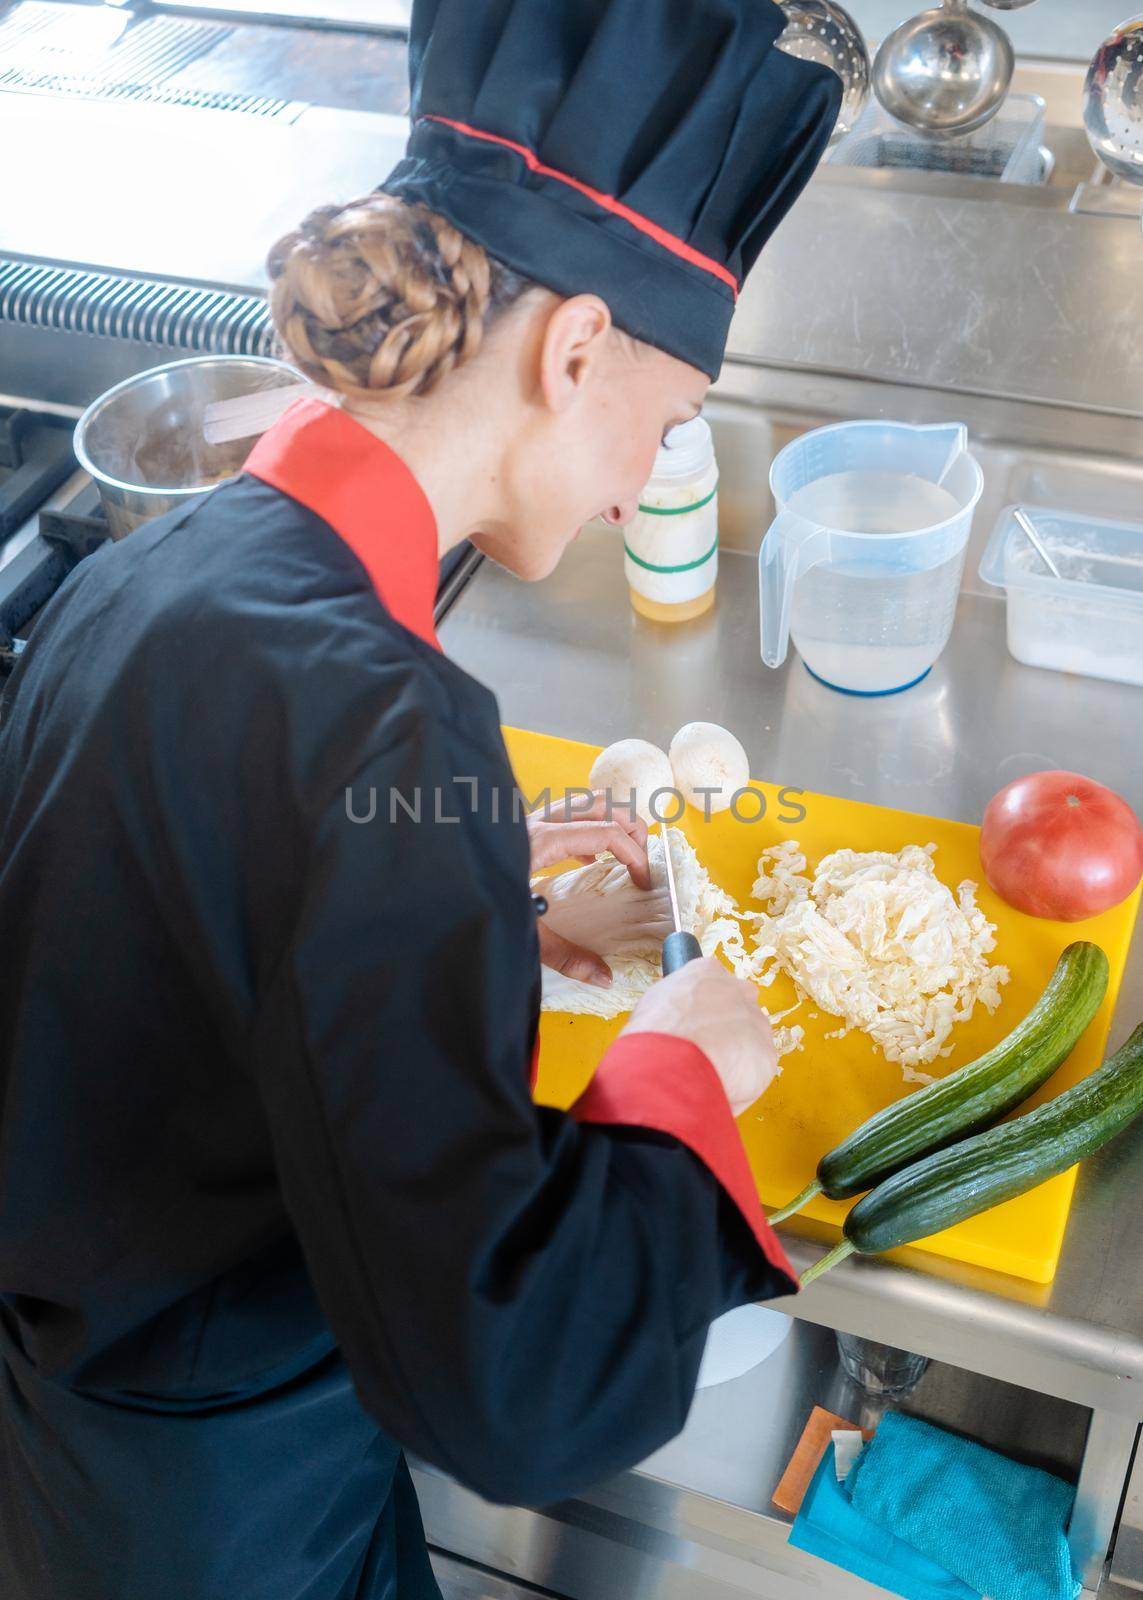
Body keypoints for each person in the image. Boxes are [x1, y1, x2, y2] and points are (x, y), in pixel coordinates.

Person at [0, 2, 840, 1596]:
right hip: (232, 1492)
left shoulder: (181, 564)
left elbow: (179, 910)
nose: (634, 487)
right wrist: (679, 1075)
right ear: (576, 348)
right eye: (664, 431)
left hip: (96, 1430)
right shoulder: (390, 724)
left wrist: (471, 890)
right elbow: (515, 1388)